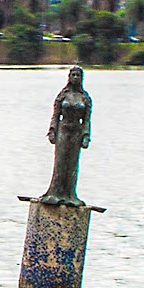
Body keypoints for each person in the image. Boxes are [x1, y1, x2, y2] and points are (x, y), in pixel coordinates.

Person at [39, 66, 92, 206]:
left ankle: (70, 195)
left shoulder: (85, 98)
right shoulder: (62, 96)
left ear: (81, 78)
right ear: (69, 77)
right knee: (60, 161)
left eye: (78, 76)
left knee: (72, 163)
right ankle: (55, 193)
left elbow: (87, 120)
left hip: (76, 131)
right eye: (73, 75)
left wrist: (86, 136)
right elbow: (55, 115)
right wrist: (52, 131)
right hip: (63, 129)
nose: (75, 78)